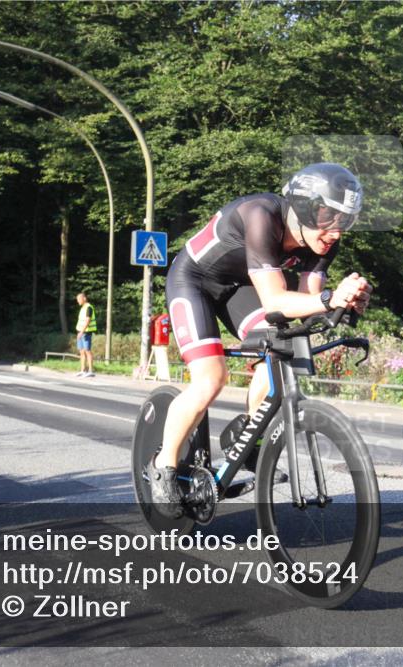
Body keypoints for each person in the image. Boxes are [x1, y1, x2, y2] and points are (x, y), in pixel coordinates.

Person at [148, 163, 373, 518]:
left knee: (281, 347)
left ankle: (246, 435)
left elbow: (304, 305)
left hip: (239, 287)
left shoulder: (324, 241)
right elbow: (275, 301)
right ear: (303, 206)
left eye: (345, 220)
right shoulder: (261, 216)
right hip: (193, 280)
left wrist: (344, 305)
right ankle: (163, 466)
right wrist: (331, 298)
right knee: (211, 379)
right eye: (330, 215)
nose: (336, 230)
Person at [75, 292, 96, 377]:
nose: (78, 301)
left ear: (84, 298)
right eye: (77, 300)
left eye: (79, 299)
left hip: (86, 332)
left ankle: (91, 371)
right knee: (82, 351)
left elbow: (88, 320)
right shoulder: (83, 308)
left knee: (88, 351)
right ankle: (83, 370)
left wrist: (82, 332)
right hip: (80, 332)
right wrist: (79, 332)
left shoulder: (88, 307)